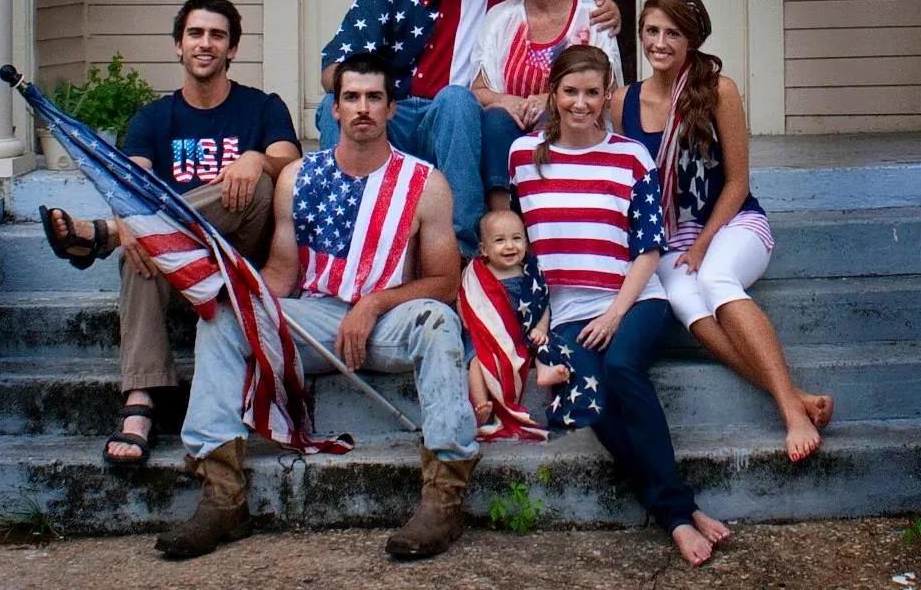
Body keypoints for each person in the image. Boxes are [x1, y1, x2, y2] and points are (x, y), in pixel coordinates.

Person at [154, 53, 479, 560]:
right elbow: (282, 275)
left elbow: (444, 282)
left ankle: (444, 497)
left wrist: (372, 304)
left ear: (392, 108)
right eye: (352, 97)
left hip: (391, 322)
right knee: (224, 320)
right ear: (335, 109)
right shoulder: (297, 178)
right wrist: (238, 295)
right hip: (318, 319)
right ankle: (222, 497)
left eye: (374, 97)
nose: (363, 108)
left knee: (439, 322)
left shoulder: (426, 184)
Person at [37, 0, 301, 466]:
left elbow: (292, 163)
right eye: (195, 34)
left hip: (240, 259)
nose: (205, 43)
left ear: (232, 49)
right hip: (182, 266)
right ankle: (140, 401)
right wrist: (129, 224)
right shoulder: (153, 118)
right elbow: (129, 186)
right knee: (141, 246)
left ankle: (99, 236)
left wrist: (257, 158)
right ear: (179, 45)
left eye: (217, 35)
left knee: (257, 185)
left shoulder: (262, 108)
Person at [317, 0, 621, 257]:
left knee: (458, 100)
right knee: (330, 107)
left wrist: (610, 11)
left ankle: (464, 249)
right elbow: (331, 72)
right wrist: (370, 91)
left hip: (447, 117)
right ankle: (338, 234)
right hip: (392, 112)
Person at [509, 44, 729, 567]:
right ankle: (682, 509)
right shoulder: (523, 156)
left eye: (592, 92)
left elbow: (649, 249)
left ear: (607, 94)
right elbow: (520, 246)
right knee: (593, 402)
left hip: (636, 298)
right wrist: (538, 321)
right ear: (552, 93)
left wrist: (614, 314)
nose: (580, 103)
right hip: (566, 312)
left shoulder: (631, 157)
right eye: (570, 91)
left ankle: (675, 516)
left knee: (624, 367)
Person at [610, 0, 833, 463]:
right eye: (652, 31)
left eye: (673, 33)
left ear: (691, 40)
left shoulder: (718, 90)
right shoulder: (622, 101)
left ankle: (791, 416)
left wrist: (702, 244)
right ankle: (794, 395)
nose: (660, 43)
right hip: (669, 235)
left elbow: (737, 183)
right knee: (682, 298)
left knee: (713, 278)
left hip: (733, 222)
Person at [472, 0, 624, 210]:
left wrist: (552, 100)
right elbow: (478, 90)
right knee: (495, 119)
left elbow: (612, 90)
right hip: (513, 132)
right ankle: (503, 221)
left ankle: (556, 208)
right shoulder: (500, 18)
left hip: (574, 129)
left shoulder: (592, 15)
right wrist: (505, 101)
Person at [458, 209, 568, 442]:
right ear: (484, 249)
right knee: (476, 360)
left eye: (516, 238)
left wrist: (540, 328)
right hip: (488, 336)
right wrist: (468, 322)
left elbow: (543, 305)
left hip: (522, 333)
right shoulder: (476, 273)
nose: (510, 246)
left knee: (547, 343)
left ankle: (545, 371)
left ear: (526, 243)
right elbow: (464, 299)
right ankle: (480, 405)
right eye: (500, 240)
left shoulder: (531, 274)